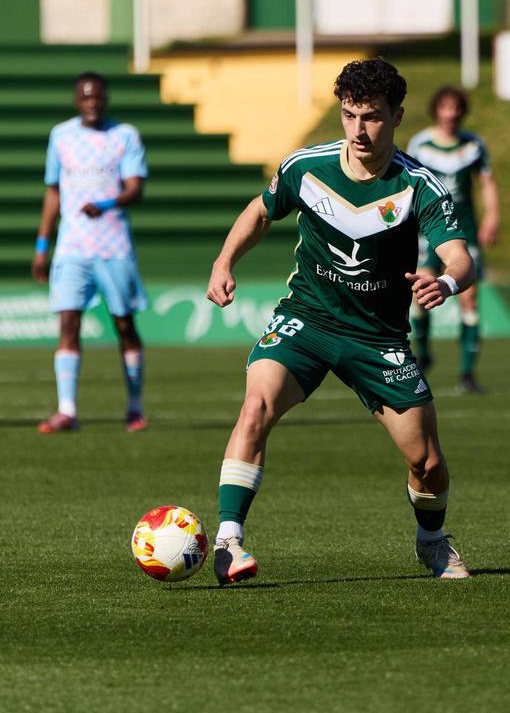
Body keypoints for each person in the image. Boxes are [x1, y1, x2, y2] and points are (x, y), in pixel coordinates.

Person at [204, 58, 476, 585]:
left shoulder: (419, 185)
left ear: (396, 117)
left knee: (426, 462)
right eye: (349, 115)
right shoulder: (306, 167)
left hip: (377, 338)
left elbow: (460, 258)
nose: (358, 129)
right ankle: (228, 541)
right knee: (256, 406)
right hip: (306, 319)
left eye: (371, 117)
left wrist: (444, 283)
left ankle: (431, 540)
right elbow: (260, 211)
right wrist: (224, 261)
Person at [32, 72, 148, 434]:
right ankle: (67, 411)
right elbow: (54, 192)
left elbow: (136, 188)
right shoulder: (61, 136)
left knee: (124, 325)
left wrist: (107, 203)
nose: (91, 102)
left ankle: (134, 407)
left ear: (105, 98)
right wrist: (42, 245)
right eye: (85, 97)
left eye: (97, 96)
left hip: (114, 246)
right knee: (68, 324)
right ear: (76, 100)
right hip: (71, 247)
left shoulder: (124, 135)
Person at [406, 86, 499, 394]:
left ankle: (467, 373)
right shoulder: (420, 144)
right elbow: (407, 184)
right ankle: (423, 353)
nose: (451, 113)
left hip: (465, 230)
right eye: (445, 107)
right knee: (420, 292)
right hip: (428, 230)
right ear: (436, 110)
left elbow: (487, 183)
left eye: (456, 107)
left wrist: (492, 217)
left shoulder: (473, 145)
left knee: (469, 299)